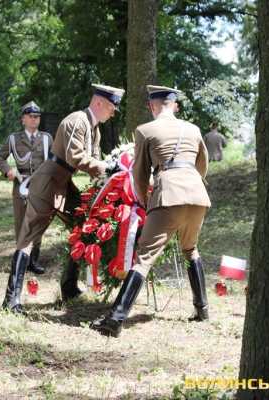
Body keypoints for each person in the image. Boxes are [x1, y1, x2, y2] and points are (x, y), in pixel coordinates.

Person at [91, 85, 211, 338]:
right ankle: (202, 310)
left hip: (168, 194)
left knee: (143, 258)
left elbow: (140, 175)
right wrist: (191, 186)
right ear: (174, 105)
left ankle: (115, 320)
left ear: (151, 106)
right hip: (198, 196)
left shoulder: (145, 130)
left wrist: (146, 202)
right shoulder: (193, 129)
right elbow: (203, 165)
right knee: (190, 249)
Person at [2, 84, 124, 314]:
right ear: (98, 102)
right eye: (111, 107)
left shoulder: (93, 128)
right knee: (28, 237)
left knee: (84, 227)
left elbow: (92, 160)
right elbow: (76, 157)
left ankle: (68, 287)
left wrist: (106, 174)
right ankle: (11, 300)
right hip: (48, 181)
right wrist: (106, 167)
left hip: (64, 183)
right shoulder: (76, 121)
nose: (113, 112)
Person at [0, 101, 53, 275]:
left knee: (38, 224)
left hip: (41, 188)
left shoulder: (46, 138)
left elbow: (53, 161)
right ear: (23, 119)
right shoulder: (14, 138)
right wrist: (8, 170)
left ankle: (33, 261)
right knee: (21, 225)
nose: (34, 120)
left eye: (37, 117)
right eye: (31, 117)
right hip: (20, 186)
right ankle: (21, 263)